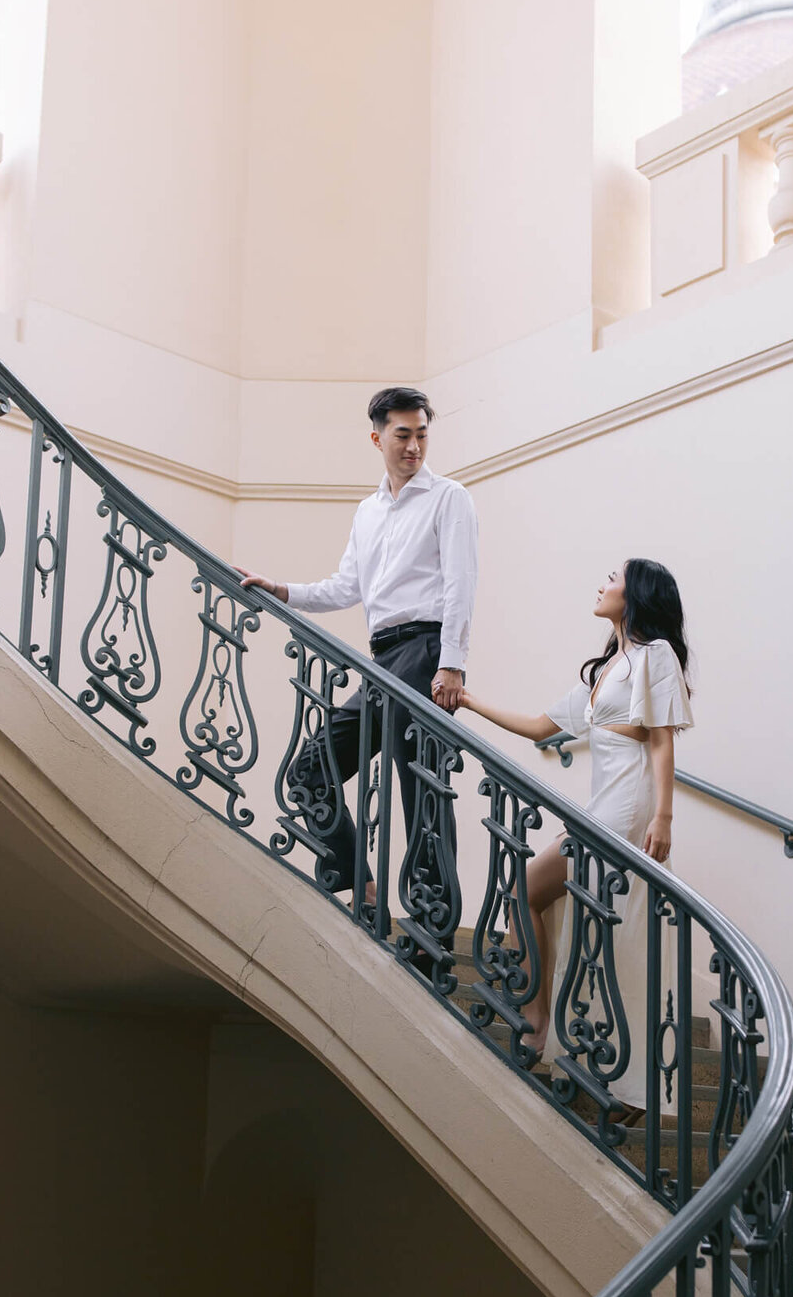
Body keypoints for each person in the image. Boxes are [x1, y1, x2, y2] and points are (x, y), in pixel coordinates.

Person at [237, 387, 478, 946]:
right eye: (403, 434)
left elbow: (461, 585)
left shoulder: (449, 498)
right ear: (377, 438)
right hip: (381, 658)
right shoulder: (367, 512)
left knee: (422, 794)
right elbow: (347, 585)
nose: (414, 445)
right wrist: (282, 590)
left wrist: (452, 664)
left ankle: (433, 933)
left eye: (421, 434)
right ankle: (361, 887)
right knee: (309, 770)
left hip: (425, 652)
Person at [459, 558, 692, 1113]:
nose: (602, 584)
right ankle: (556, 1025)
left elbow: (660, 742)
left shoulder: (654, 657)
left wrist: (664, 817)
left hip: (626, 807)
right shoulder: (607, 668)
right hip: (598, 807)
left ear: (635, 594)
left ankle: (540, 1022)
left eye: (612, 577)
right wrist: (469, 702)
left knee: (527, 888)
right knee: (545, 901)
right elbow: (542, 726)